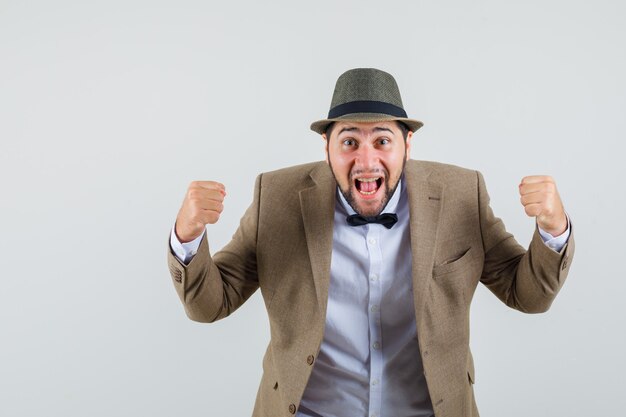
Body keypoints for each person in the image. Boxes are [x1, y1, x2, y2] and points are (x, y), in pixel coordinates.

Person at [166, 68, 574, 417]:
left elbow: (529, 296)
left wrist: (552, 227)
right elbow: (210, 304)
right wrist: (189, 234)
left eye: (382, 140)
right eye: (348, 141)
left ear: (406, 146)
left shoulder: (461, 193)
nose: (365, 160)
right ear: (326, 147)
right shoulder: (277, 197)